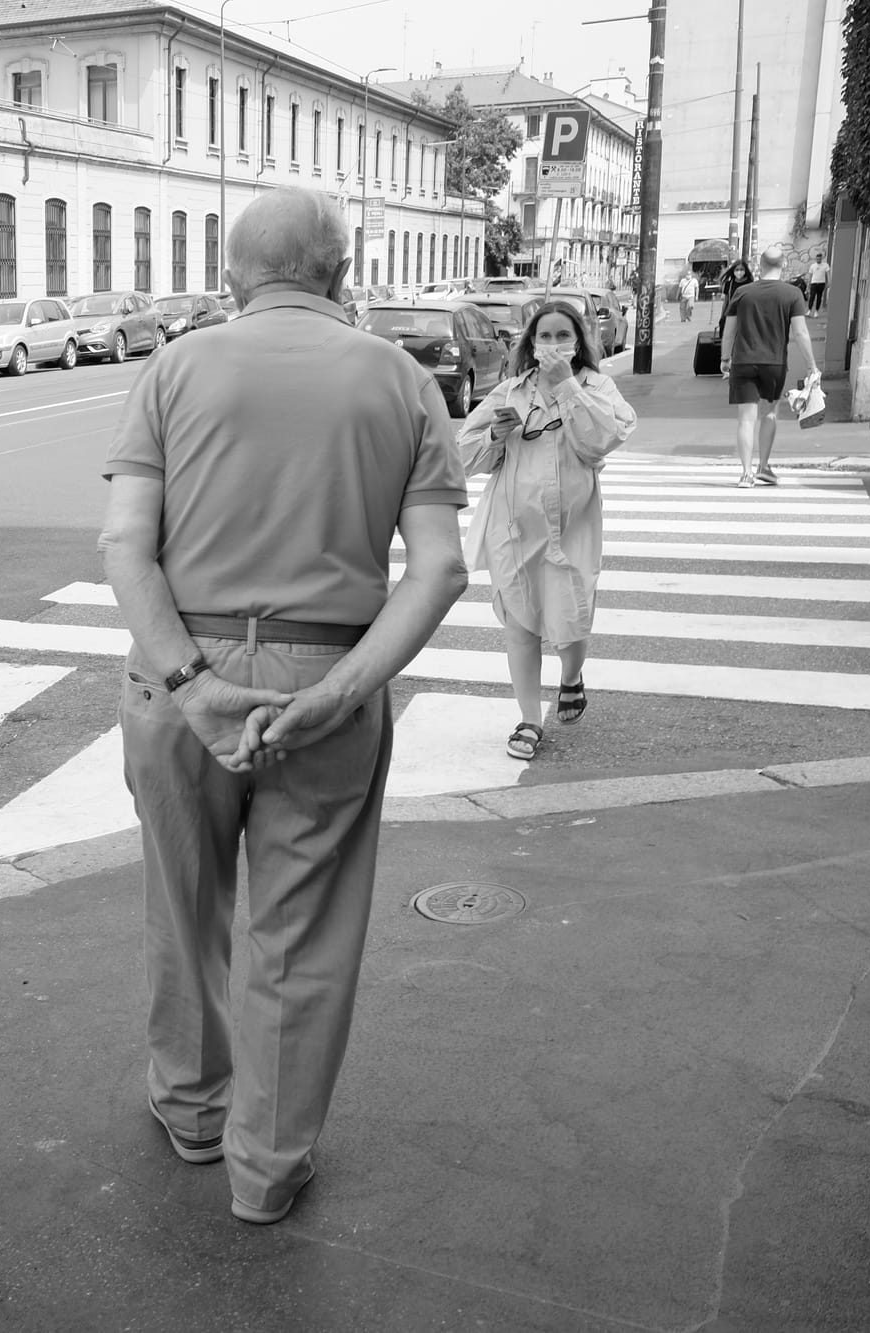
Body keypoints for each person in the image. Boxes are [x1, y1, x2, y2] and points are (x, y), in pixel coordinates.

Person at [99, 187, 469, 1226]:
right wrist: (343, 692)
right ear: (341, 272)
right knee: (301, 935)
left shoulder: (173, 366)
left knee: (184, 904)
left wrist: (194, 685)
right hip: (327, 668)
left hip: (178, 671)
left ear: (230, 274)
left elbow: (123, 543)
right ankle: (264, 1171)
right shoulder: (398, 378)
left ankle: (191, 1108)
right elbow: (436, 568)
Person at [457, 302, 638, 761]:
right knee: (521, 620)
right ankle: (529, 718)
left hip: (572, 527)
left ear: (578, 340)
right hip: (514, 527)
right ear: (530, 343)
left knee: (571, 620)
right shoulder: (511, 391)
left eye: (563, 335)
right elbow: (463, 456)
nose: (553, 344)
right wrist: (495, 438)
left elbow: (600, 441)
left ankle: (572, 676)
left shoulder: (598, 387)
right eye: (545, 335)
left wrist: (568, 386)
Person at [721, 245, 820, 488]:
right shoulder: (792, 294)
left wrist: (725, 359)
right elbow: (800, 332)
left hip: (743, 361)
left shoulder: (742, 293)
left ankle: (746, 474)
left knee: (746, 418)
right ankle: (764, 466)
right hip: (775, 362)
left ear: (760, 266)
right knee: (770, 413)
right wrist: (811, 365)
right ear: (783, 264)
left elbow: (729, 330)